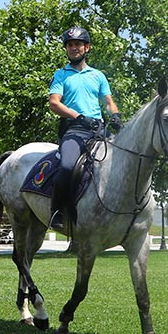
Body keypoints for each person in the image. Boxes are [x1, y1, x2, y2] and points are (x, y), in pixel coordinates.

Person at [47, 26, 122, 231]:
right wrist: (78, 117)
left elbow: (108, 101)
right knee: (67, 167)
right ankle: (58, 211)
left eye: (78, 44)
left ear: (86, 47)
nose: (73, 48)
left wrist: (115, 115)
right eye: (70, 45)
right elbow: (55, 103)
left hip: (98, 130)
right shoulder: (61, 75)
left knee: (124, 160)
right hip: (74, 130)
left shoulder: (98, 75)